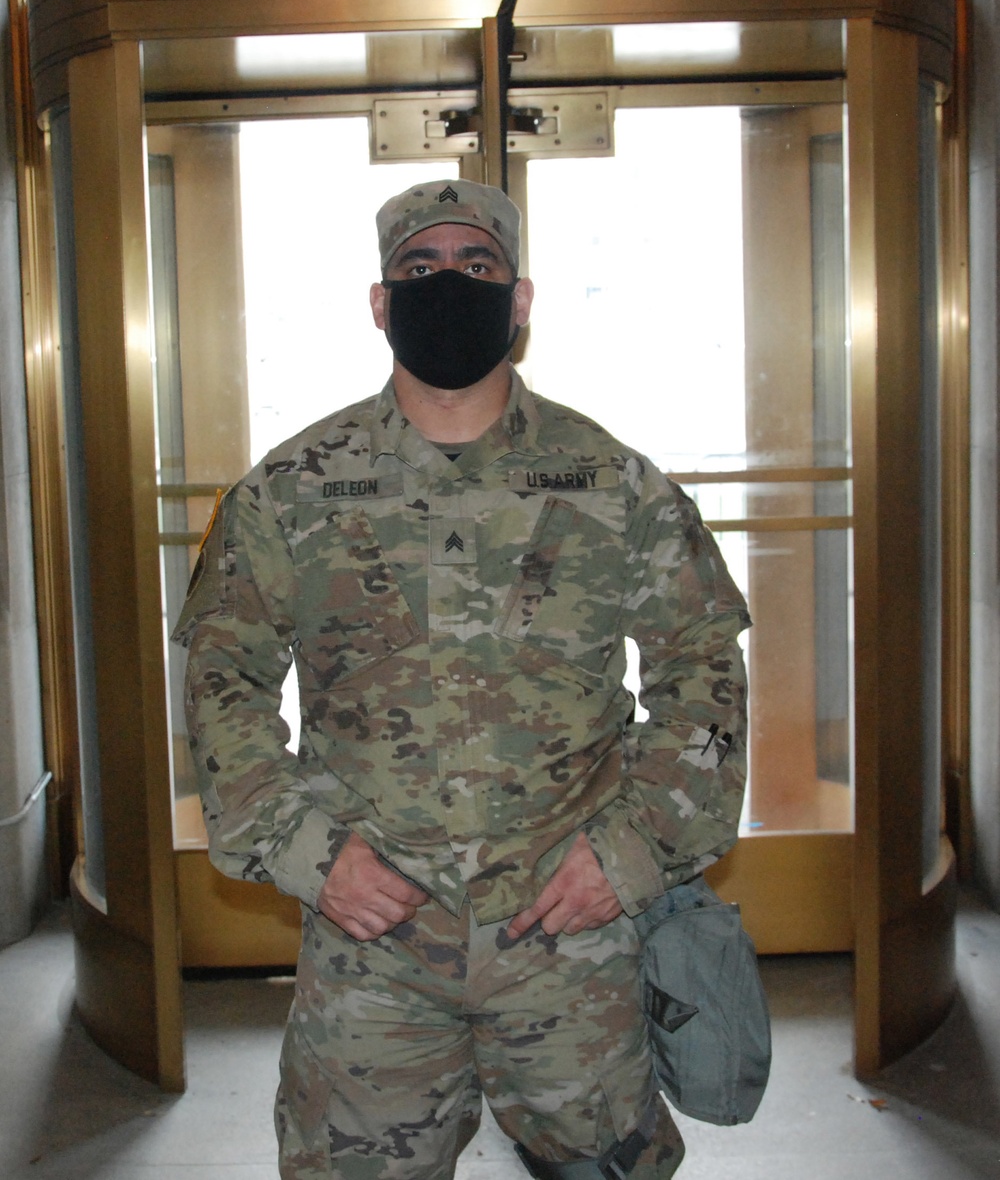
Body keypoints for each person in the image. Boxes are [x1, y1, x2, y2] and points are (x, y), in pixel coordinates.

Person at [173, 179, 751, 1180]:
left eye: (476, 266)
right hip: (373, 948)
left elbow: (703, 669)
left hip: (569, 936)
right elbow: (222, 675)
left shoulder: (610, 483)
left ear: (519, 299)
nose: (450, 283)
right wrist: (306, 850)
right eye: (421, 267)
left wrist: (632, 851)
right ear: (379, 300)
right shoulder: (293, 488)